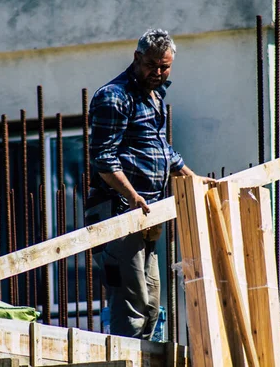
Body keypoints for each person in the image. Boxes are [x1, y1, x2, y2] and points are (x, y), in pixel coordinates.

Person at [86, 28, 212, 340]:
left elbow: (161, 149)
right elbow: (103, 159)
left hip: (146, 214)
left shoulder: (154, 96)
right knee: (132, 305)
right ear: (137, 58)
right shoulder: (113, 98)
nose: (157, 72)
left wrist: (192, 178)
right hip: (118, 212)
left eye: (164, 67)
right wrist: (132, 197)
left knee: (152, 305)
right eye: (151, 65)